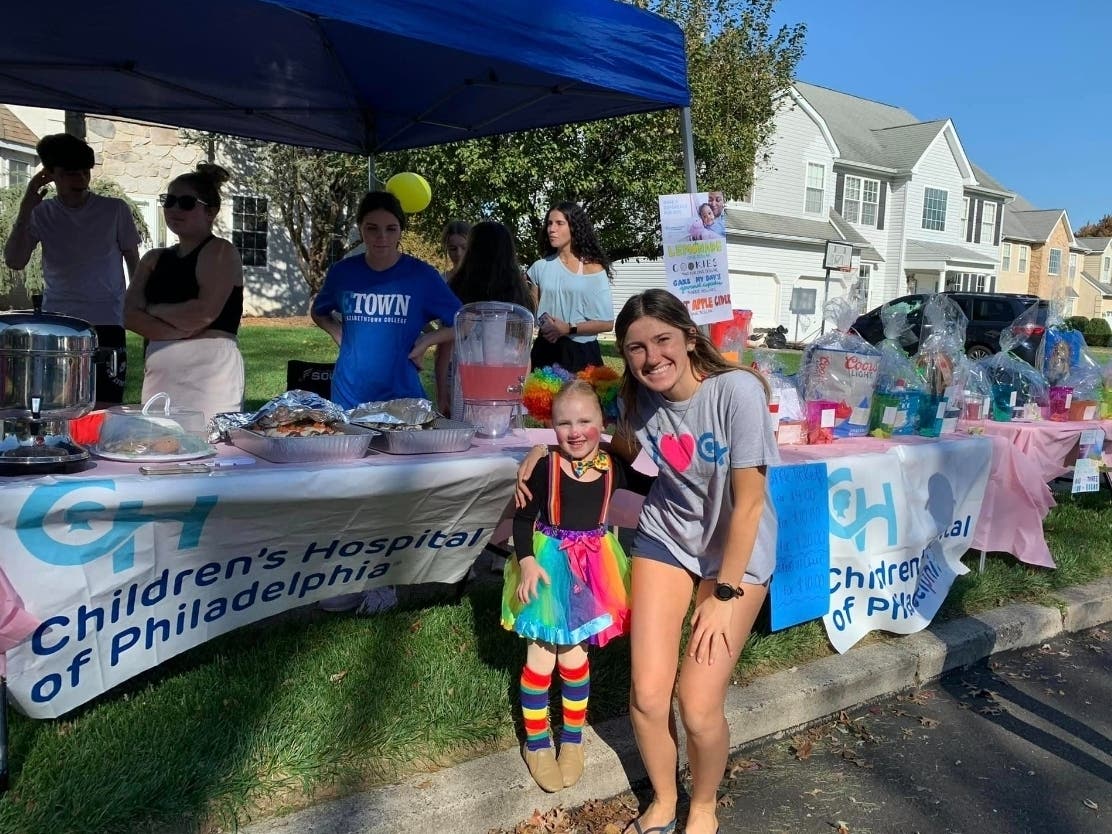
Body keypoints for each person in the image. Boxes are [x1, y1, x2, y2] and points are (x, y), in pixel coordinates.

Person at [517, 288, 778, 834]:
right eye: (636, 348)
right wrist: (543, 450)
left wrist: (723, 594)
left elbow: (750, 503)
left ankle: (702, 806)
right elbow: (579, 421)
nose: (651, 356)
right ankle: (662, 802)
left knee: (698, 703)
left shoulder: (735, 393)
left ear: (687, 337)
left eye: (662, 340)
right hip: (667, 539)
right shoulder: (634, 402)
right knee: (646, 694)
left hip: (735, 553)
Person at [503, 380, 651, 793]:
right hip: (547, 567)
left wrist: (625, 444)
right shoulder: (545, 465)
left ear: (601, 423)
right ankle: (536, 743)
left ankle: (572, 738)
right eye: (563, 423)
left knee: (573, 658)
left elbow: (650, 482)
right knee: (541, 659)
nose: (575, 431)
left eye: (585, 421)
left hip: (592, 571)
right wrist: (527, 560)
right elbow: (521, 518)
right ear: (550, 426)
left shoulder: (611, 466)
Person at [4, 133, 141, 407]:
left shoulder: (114, 210)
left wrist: (136, 304)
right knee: (59, 402)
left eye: (85, 171)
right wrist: (26, 208)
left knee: (106, 403)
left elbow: (133, 260)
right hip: (60, 324)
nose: (80, 178)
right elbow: (16, 260)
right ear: (50, 175)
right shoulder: (42, 213)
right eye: (69, 173)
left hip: (108, 320)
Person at [311, 191, 460, 409]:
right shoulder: (342, 272)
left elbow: (464, 323)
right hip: (349, 394)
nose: (382, 237)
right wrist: (338, 333)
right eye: (372, 228)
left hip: (402, 396)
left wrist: (426, 341)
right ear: (360, 229)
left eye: (391, 229)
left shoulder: (421, 276)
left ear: (401, 231)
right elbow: (319, 312)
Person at [123, 163, 245, 422]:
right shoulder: (153, 259)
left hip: (210, 376)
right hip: (160, 374)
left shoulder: (221, 251)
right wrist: (177, 330)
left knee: (212, 450)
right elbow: (128, 315)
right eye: (169, 201)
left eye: (187, 202)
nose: (175, 209)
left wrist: (152, 310)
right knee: (159, 446)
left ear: (210, 211)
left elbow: (201, 313)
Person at [437, 221, 535, 416]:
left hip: (466, 380)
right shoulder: (519, 293)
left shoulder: (457, 288)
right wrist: (520, 391)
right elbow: (524, 351)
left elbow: (445, 348)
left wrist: (442, 393)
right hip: (506, 380)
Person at [528, 202, 613, 373]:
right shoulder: (538, 267)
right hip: (546, 351)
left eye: (559, 223)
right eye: (549, 223)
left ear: (574, 227)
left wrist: (568, 328)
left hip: (582, 354)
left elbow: (607, 323)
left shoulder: (593, 268)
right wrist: (543, 322)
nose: (552, 229)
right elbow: (532, 311)